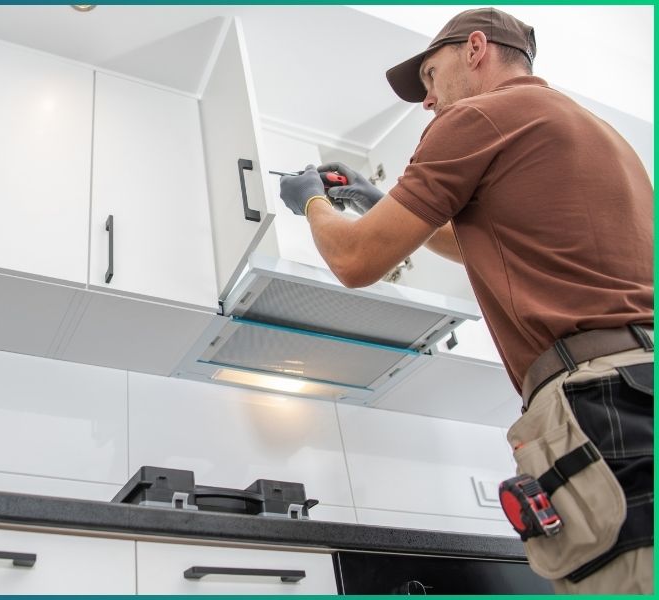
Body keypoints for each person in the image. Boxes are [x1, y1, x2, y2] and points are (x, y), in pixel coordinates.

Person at [278, 7, 653, 594]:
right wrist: (382, 201)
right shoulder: (601, 134)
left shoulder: (480, 115)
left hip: (602, 401)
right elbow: (493, 243)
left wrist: (309, 202)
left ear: (475, 48)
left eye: (430, 76)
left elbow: (354, 261)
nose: (426, 101)